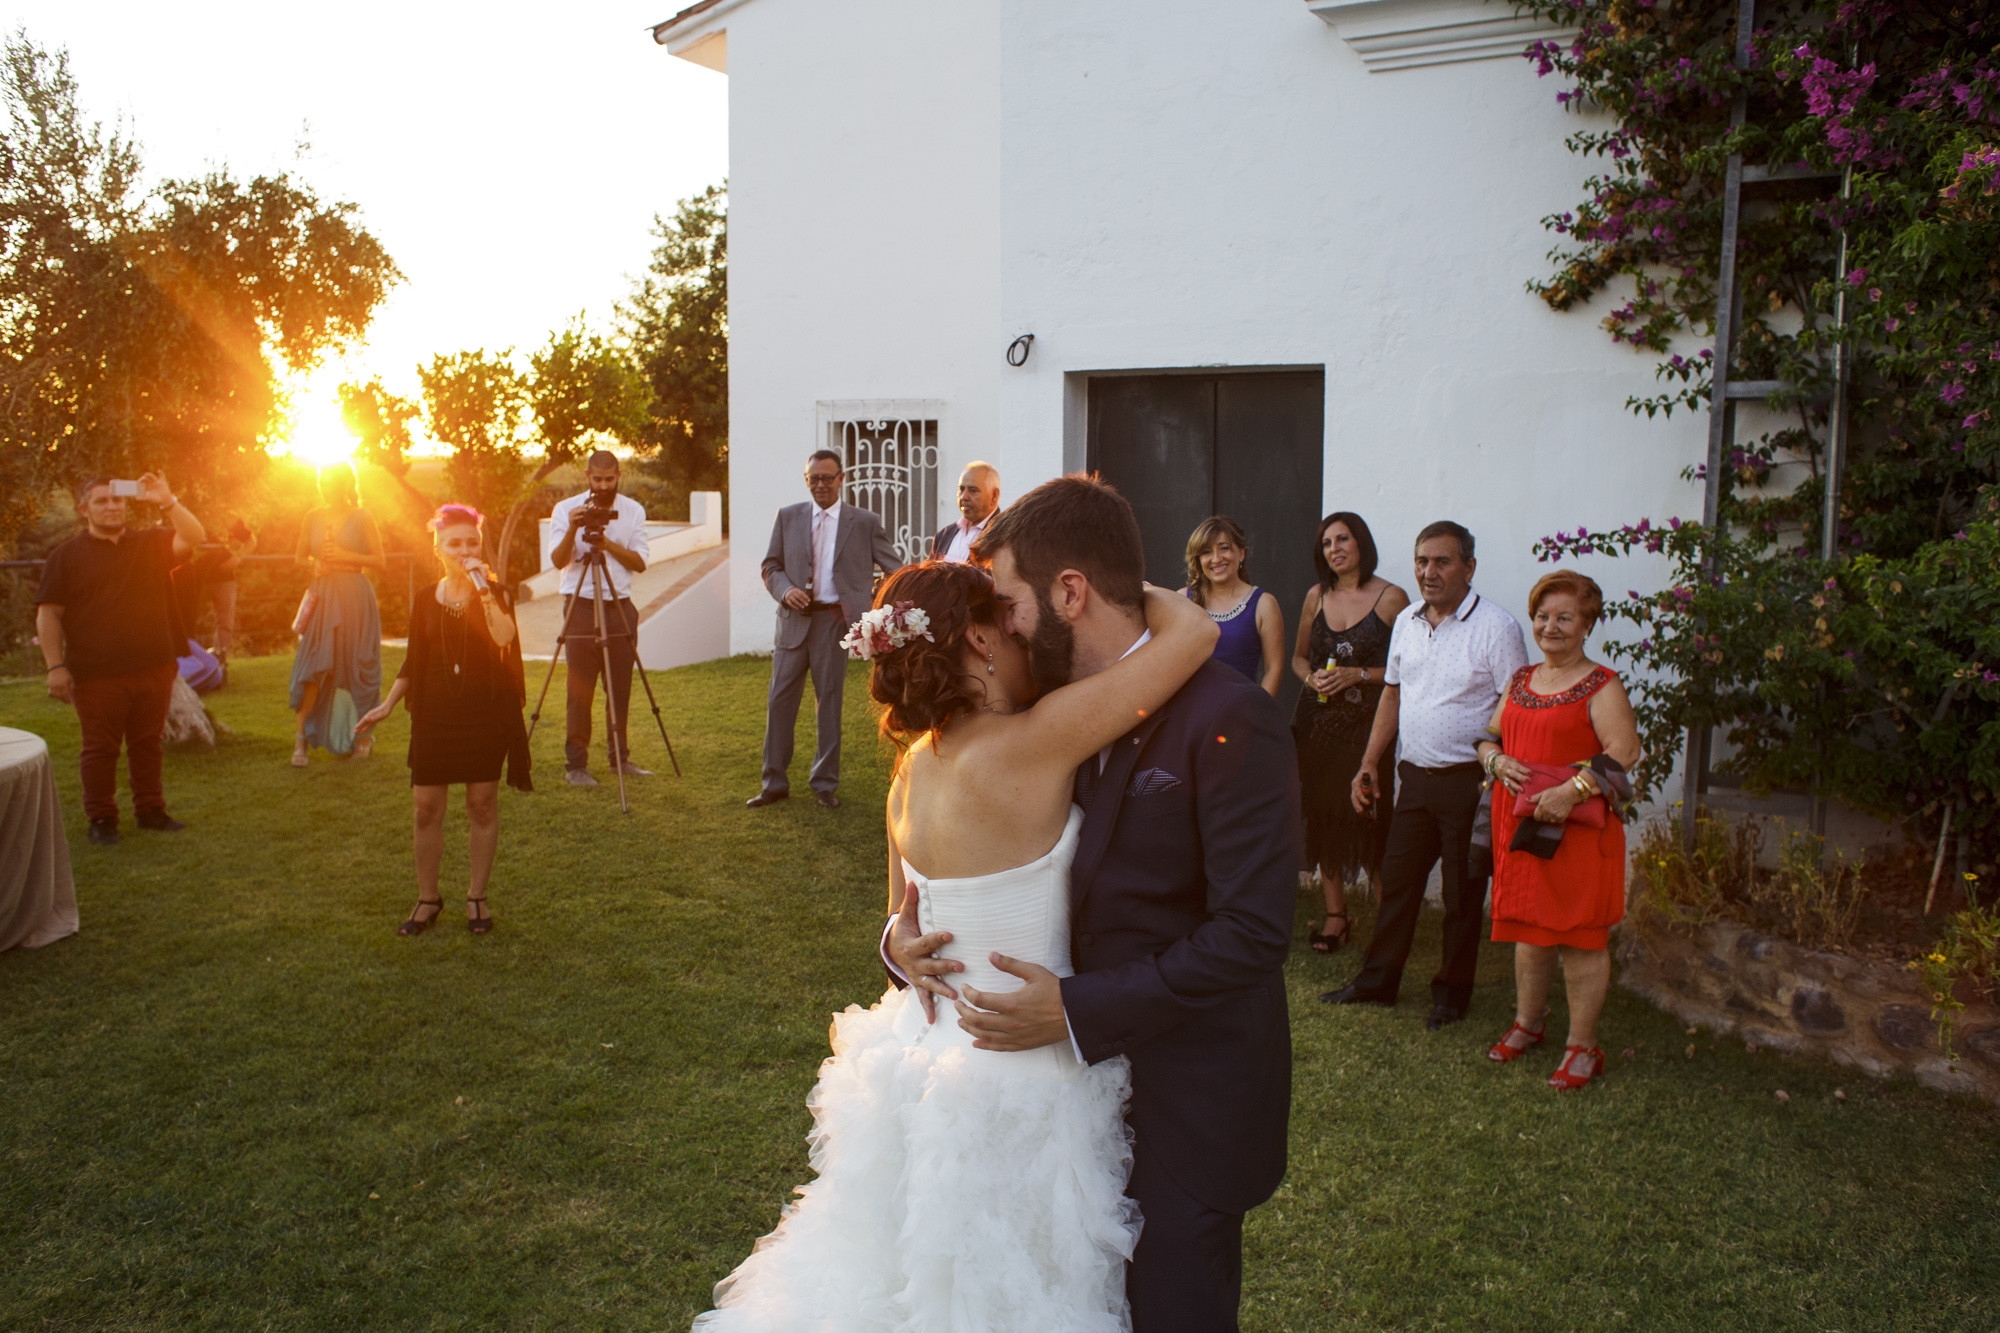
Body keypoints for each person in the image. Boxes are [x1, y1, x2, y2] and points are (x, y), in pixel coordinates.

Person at [694, 558, 1218, 1329]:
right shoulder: (1036, 741)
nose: (1022, 634)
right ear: (977, 637)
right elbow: (1196, 632)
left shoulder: (910, 769)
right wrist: (1107, 578)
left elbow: (897, 916)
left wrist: (896, 944)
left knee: (907, 1279)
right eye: (1007, 620)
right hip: (1017, 1068)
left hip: (919, 1052)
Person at [896, 476, 1302, 1331]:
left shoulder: (1230, 716)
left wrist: (1076, 1008)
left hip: (1181, 1109)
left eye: (1006, 601)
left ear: (1070, 592)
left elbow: (1253, 933)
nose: (996, 624)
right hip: (1054, 1115)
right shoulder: (1034, 716)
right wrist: (901, 944)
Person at [1322, 520, 1529, 1030]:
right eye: (1421, 561)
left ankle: (1451, 996)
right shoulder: (1409, 620)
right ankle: (1377, 982)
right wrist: (1370, 761)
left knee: (1462, 895)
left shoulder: (1497, 628)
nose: (1428, 572)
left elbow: (1516, 704)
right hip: (1413, 777)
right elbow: (1392, 693)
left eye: (1442, 561)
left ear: (1469, 567)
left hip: (1468, 781)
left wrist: (1498, 767)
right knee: (1399, 886)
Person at [1477, 570, 1641, 1089]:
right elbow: (1487, 737)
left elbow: (1625, 752)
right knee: (1529, 931)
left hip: (1576, 832)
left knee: (1579, 940)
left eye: (1565, 617)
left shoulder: (1601, 683)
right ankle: (1529, 1024)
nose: (1551, 627)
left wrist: (1571, 792)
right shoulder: (1521, 680)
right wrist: (1496, 763)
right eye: (1543, 617)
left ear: (1586, 624)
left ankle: (1583, 1048)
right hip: (1522, 827)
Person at [354, 504, 531, 936]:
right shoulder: (423, 599)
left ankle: (477, 897)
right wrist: (388, 704)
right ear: (438, 549)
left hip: (483, 716)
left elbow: (505, 638)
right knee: (425, 808)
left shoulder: (496, 593)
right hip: (434, 716)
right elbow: (414, 662)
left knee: (481, 805)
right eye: (455, 543)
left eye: (472, 542)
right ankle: (428, 899)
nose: (465, 549)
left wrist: (483, 590)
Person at [35, 474, 206, 845]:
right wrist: (55, 666)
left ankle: (151, 811)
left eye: (117, 500)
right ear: (84, 510)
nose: (111, 507)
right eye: (101, 501)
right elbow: (49, 614)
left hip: (154, 665)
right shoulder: (64, 557)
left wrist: (167, 500)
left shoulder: (151, 542)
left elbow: (194, 536)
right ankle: (101, 818)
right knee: (100, 748)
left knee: (148, 743)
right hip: (97, 673)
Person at [748, 449, 903, 810]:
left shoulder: (863, 521)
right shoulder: (788, 517)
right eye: (813, 478)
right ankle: (773, 783)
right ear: (807, 480)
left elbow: (894, 569)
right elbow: (771, 565)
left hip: (834, 624)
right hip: (792, 622)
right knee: (779, 702)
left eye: (827, 478)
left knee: (829, 704)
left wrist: (866, 603)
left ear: (841, 479)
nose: (820, 484)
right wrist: (786, 591)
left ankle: (824, 783)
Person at [1289, 512, 1410, 952]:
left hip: (1369, 728)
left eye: (1343, 539)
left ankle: (1387, 924)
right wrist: (1312, 679)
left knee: (1370, 819)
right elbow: (1300, 659)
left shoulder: (1392, 598)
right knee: (1323, 816)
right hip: (1317, 725)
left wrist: (1358, 675)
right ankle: (1336, 917)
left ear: (1361, 544)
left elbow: (1409, 669)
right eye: (1326, 543)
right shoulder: (1315, 596)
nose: (1334, 549)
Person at [548, 449, 651, 787]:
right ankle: (576, 765)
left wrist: (605, 543)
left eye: (610, 479)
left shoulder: (633, 511)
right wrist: (573, 530)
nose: (604, 486)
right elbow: (559, 560)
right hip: (580, 604)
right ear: (587, 476)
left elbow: (639, 562)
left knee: (619, 688)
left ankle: (619, 759)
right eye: (597, 479)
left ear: (618, 475)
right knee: (579, 690)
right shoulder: (566, 510)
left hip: (618, 605)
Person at [288, 465, 383, 766]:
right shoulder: (312, 517)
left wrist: (345, 556)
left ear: (345, 485)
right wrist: (314, 566)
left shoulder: (363, 516)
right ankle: (301, 740)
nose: (327, 487)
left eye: (333, 483)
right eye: (323, 482)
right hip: (324, 594)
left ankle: (364, 736)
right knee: (315, 664)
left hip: (355, 594)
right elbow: (298, 557)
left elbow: (379, 560)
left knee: (358, 663)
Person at [1181, 514, 1286, 697]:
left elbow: (1273, 669)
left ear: (1242, 553)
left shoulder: (1264, 604)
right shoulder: (1182, 599)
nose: (1216, 558)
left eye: (1224, 548)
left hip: (1240, 715)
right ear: (1198, 559)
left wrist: (1258, 716)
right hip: (1190, 715)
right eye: (1206, 552)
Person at [929, 460, 1001, 561]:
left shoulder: (1003, 538)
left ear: (994, 496)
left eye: (973, 490)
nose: (964, 497)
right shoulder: (943, 535)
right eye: (961, 489)